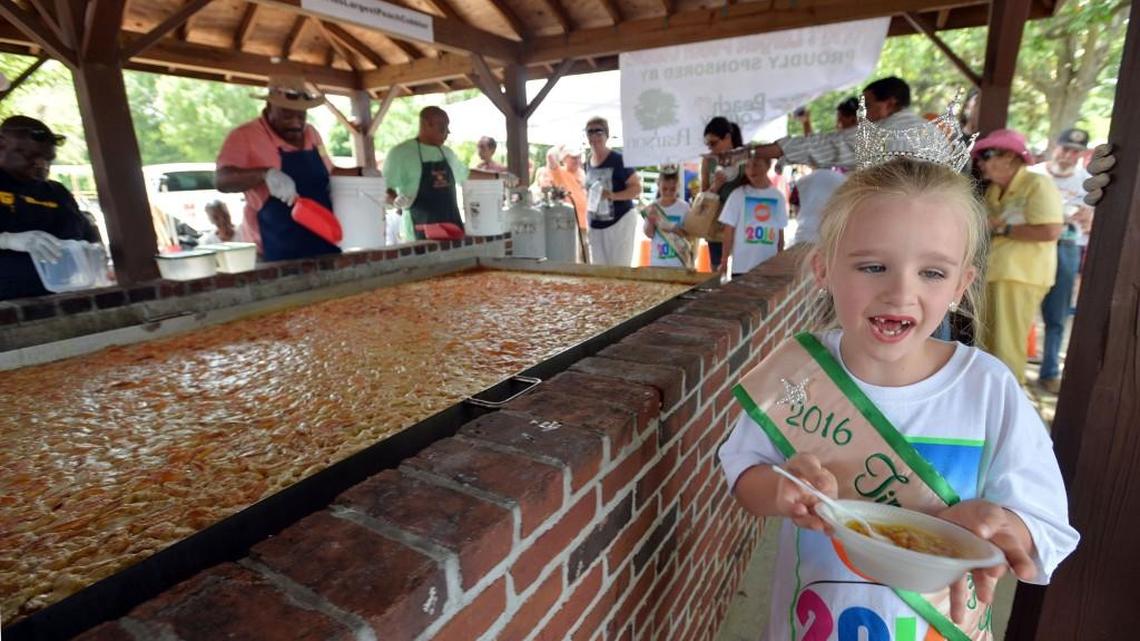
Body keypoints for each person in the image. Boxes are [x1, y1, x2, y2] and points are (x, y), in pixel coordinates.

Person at [719, 157, 1078, 641]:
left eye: (932, 273)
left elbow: (1048, 529)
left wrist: (1003, 525)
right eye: (873, 266)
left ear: (961, 285)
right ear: (823, 269)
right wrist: (781, 489)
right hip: (813, 625)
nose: (900, 291)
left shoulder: (988, 389)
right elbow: (744, 471)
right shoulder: (797, 372)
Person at [216, 75, 367, 261]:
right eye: (287, 116)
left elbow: (330, 171)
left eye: (301, 116)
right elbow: (222, 180)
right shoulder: (245, 136)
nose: (296, 123)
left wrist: (363, 173)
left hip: (324, 243)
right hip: (276, 250)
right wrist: (265, 174)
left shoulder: (311, 133)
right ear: (270, 107)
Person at [972, 129, 1064, 385]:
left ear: (1010, 157)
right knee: (989, 343)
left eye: (987, 154)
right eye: (979, 156)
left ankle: (1010, 404)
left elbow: (1051, 230)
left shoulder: (1037, 184)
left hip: (1021, 275)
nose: (980, 161)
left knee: (1007, 345)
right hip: (996, 272)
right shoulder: (993, 191)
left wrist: (1002, 228)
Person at [748, 77, 936, 171]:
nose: (862, 114)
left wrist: (751, 152)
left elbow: (823, 146)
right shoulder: (929, 131)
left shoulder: (886, 133)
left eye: (867, 106)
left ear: (889, 104)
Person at [0, 116, 96, 300]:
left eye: (48, 159)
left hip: (60, 299)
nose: (42, 165)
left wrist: (91, 251)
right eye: (32, 157)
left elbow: (85, 234)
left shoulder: (57, 192)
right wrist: (7, 240)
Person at [1030, 128, 1093, 393]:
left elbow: (1091, 218)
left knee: (1057, 315)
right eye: (1065, 148)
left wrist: (1088, 215)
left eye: (1076, 151)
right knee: (1020, 309)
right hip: (1031, 247)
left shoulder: (1087, 180)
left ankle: (1050, 372)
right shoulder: (1034, 174)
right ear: (1055, 146)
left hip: (1067, 247)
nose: (1069, 155)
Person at [386, 106, 507, 241]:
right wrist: (395, 199)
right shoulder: (401, 153)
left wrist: (499, 176)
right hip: (420, 231)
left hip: (452, 229)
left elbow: (466, 175)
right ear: (426, 124)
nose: (448, 132)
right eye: (443, 127)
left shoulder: (447, 153)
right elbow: (384, 188)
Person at [789, 97, 858, 245]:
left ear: (853, 120)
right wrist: (806, 123)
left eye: (840, 121)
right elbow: (817, 156)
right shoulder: (840, 148)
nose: (837, 126)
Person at [718, 152, 787, 277]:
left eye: (756, 165)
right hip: (742, 266)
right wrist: (724, 260)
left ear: (767, 166)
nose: (751, 170)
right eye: (748, 166)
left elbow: (780, 235)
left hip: (768, 267)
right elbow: (728, 231)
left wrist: (779, 260)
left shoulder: (778, 197)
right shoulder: (738, 195)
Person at [584, 116, 641, 266]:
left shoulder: (618, 159)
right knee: (598, 269)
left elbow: (636, 188)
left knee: (619, 267)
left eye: (599, 131)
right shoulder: (588, 162)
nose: (594, 136)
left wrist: (613, 196)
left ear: (606, 135)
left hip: (620, 220)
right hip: (596, 222)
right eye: (590, 132)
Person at [700, 116, 745, 270]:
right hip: (716, 220)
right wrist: (716, 185)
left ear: (727, 138)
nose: (711, 149)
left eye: (714, 143)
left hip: (741, 220)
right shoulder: (708, 161)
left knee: (741, 269)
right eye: (708, 144)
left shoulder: (743, 157)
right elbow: (703, 196)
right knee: (717, 270)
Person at [642, 168, 690, 268]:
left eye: (672, 189)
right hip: (657, 261)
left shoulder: (684, 207)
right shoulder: (653, 207)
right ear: (658, 185)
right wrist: (651, 222)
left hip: (679, 260)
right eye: (664, 188)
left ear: (678, 187)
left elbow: (689, 235)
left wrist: (672, 228)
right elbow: (649, 234)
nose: (668, 192)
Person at [548, 144, 587, 229]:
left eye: (578, 157)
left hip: (586, 222)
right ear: (564, 159)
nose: (577, 160)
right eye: (573, 157)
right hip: (570, 223)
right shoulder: (560, 173)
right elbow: (550, 156)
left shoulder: (582, 173)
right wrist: (560, 146)